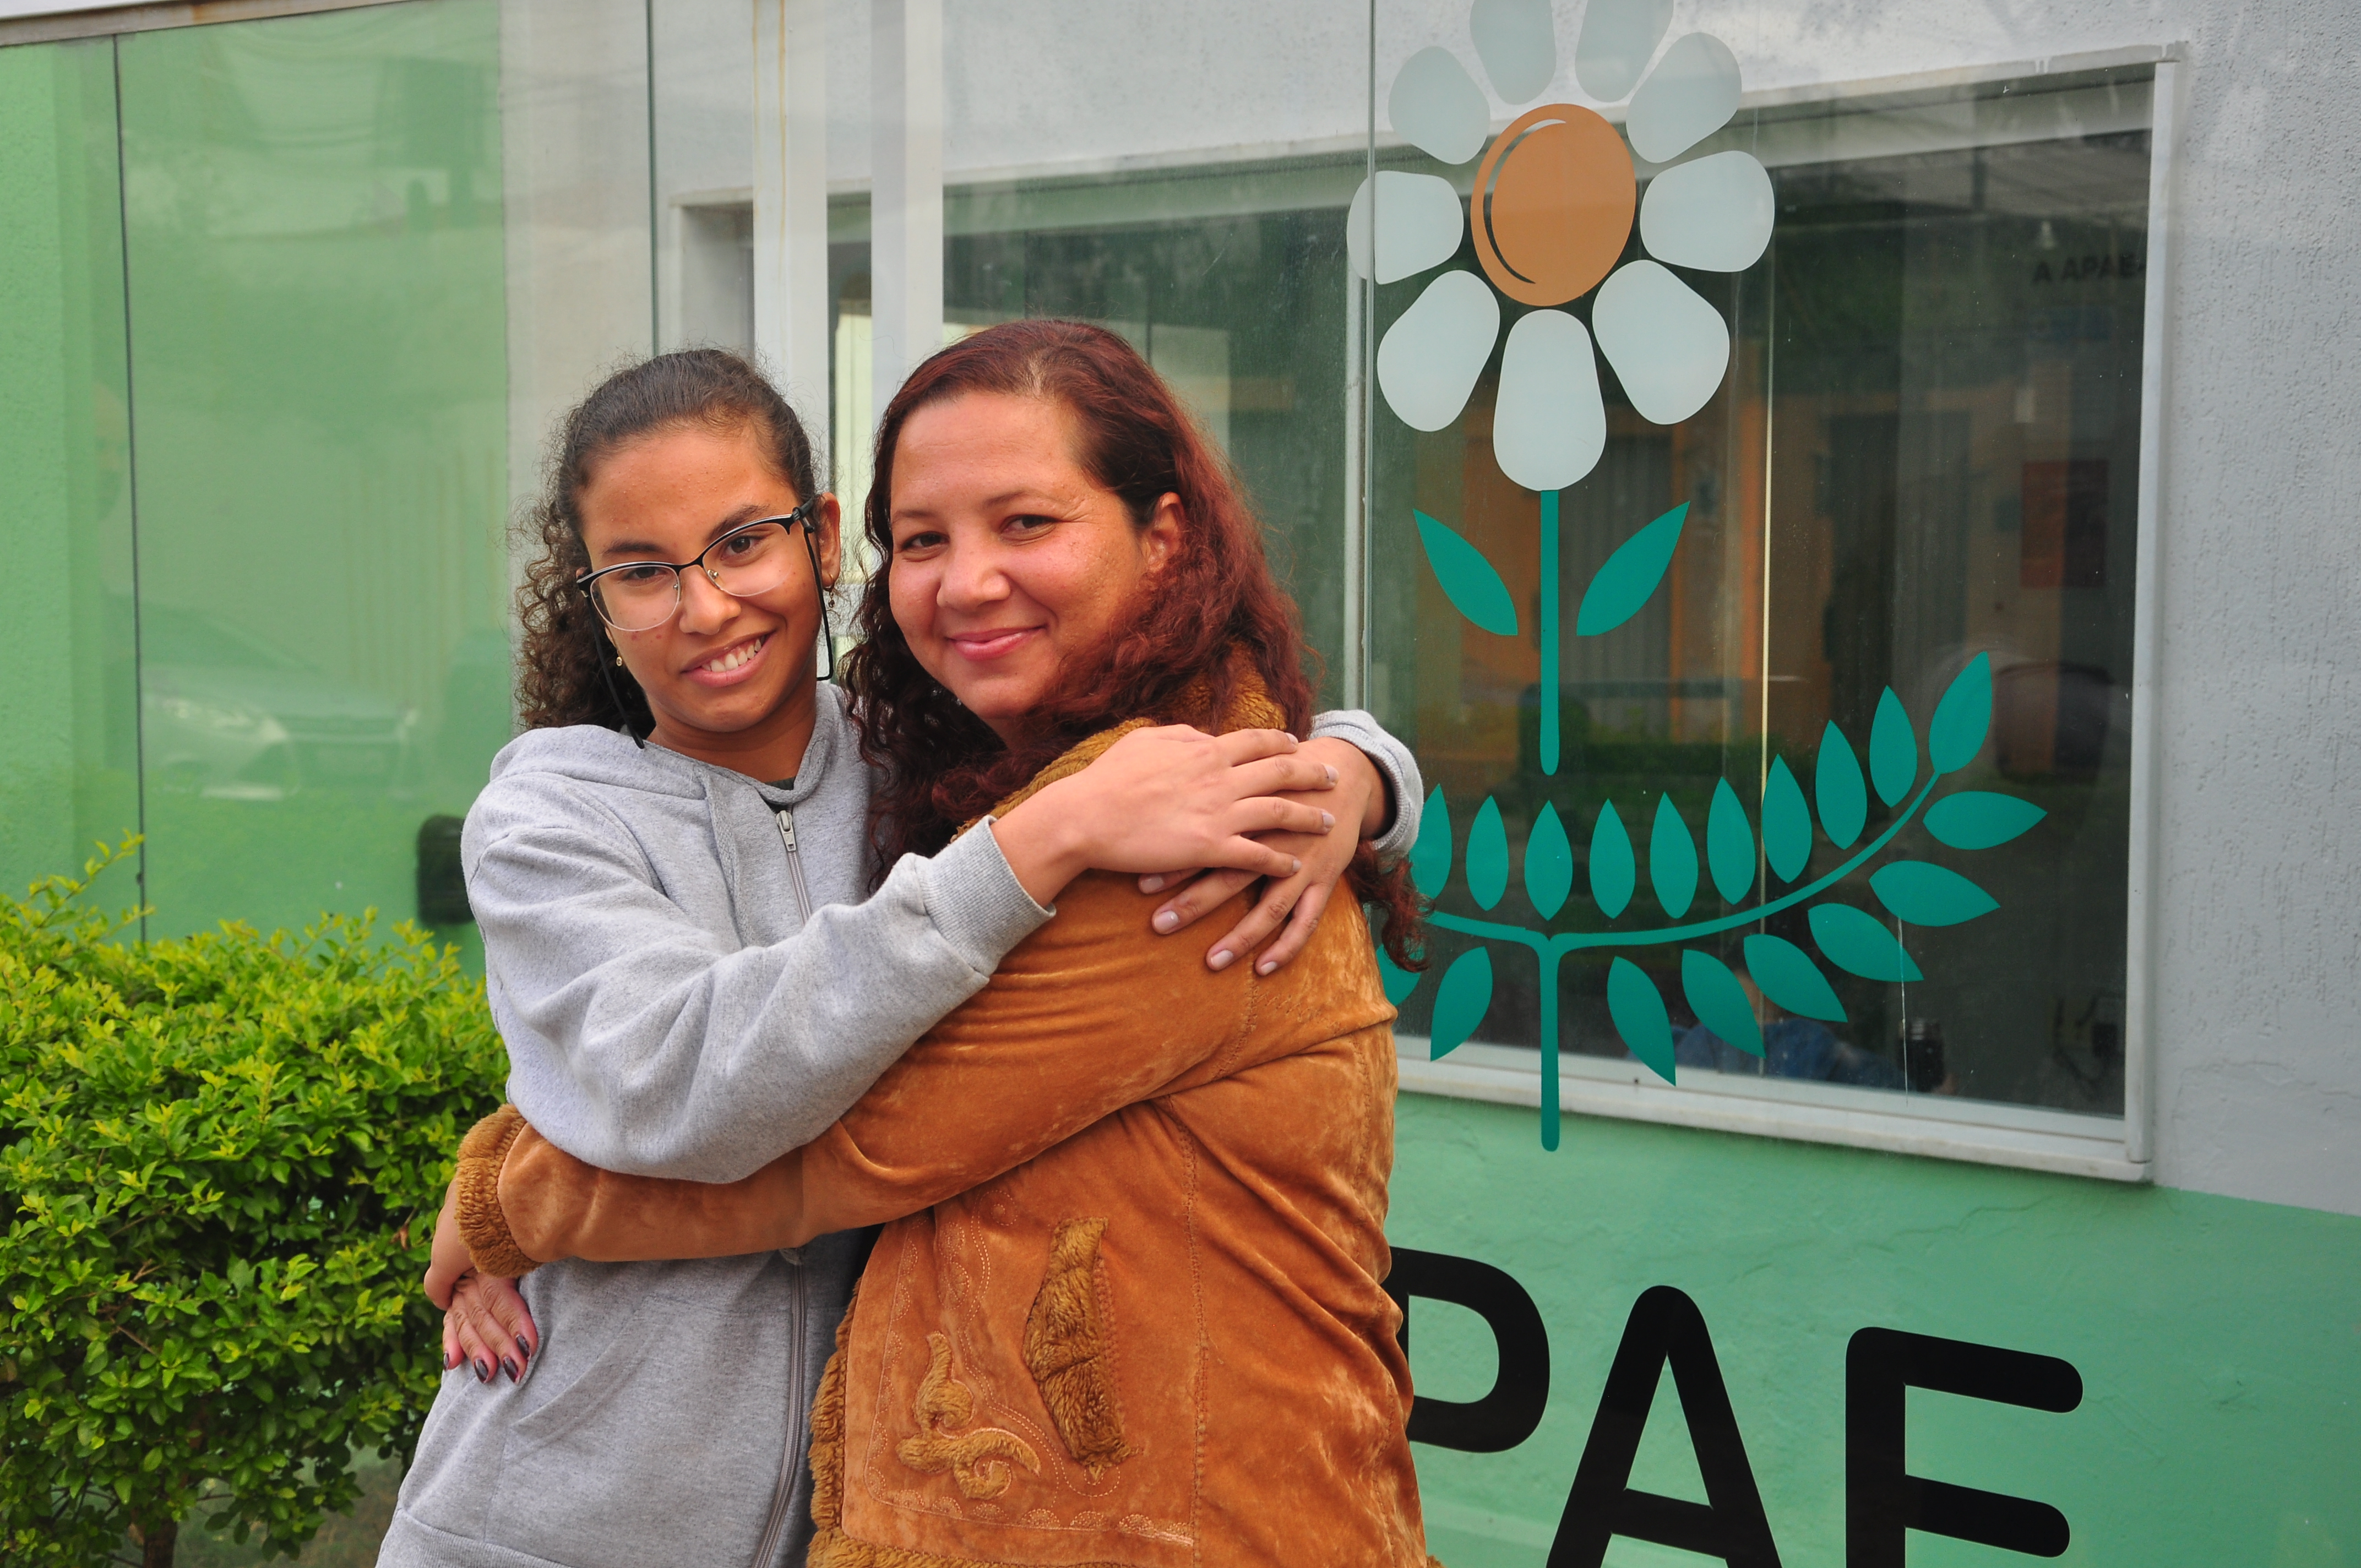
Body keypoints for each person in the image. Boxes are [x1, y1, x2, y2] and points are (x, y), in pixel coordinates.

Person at [375, 346, 1424, 1568]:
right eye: (641, 571)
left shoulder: (928, 761)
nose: (705, 606)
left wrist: (1353, 773)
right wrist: (1036, 840)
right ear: (590, 595)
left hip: (853, 1514)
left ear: (820, 539)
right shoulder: (556, 814)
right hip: (559, 1517)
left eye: (739, 542)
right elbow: (676, 1077)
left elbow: (876, 1128)